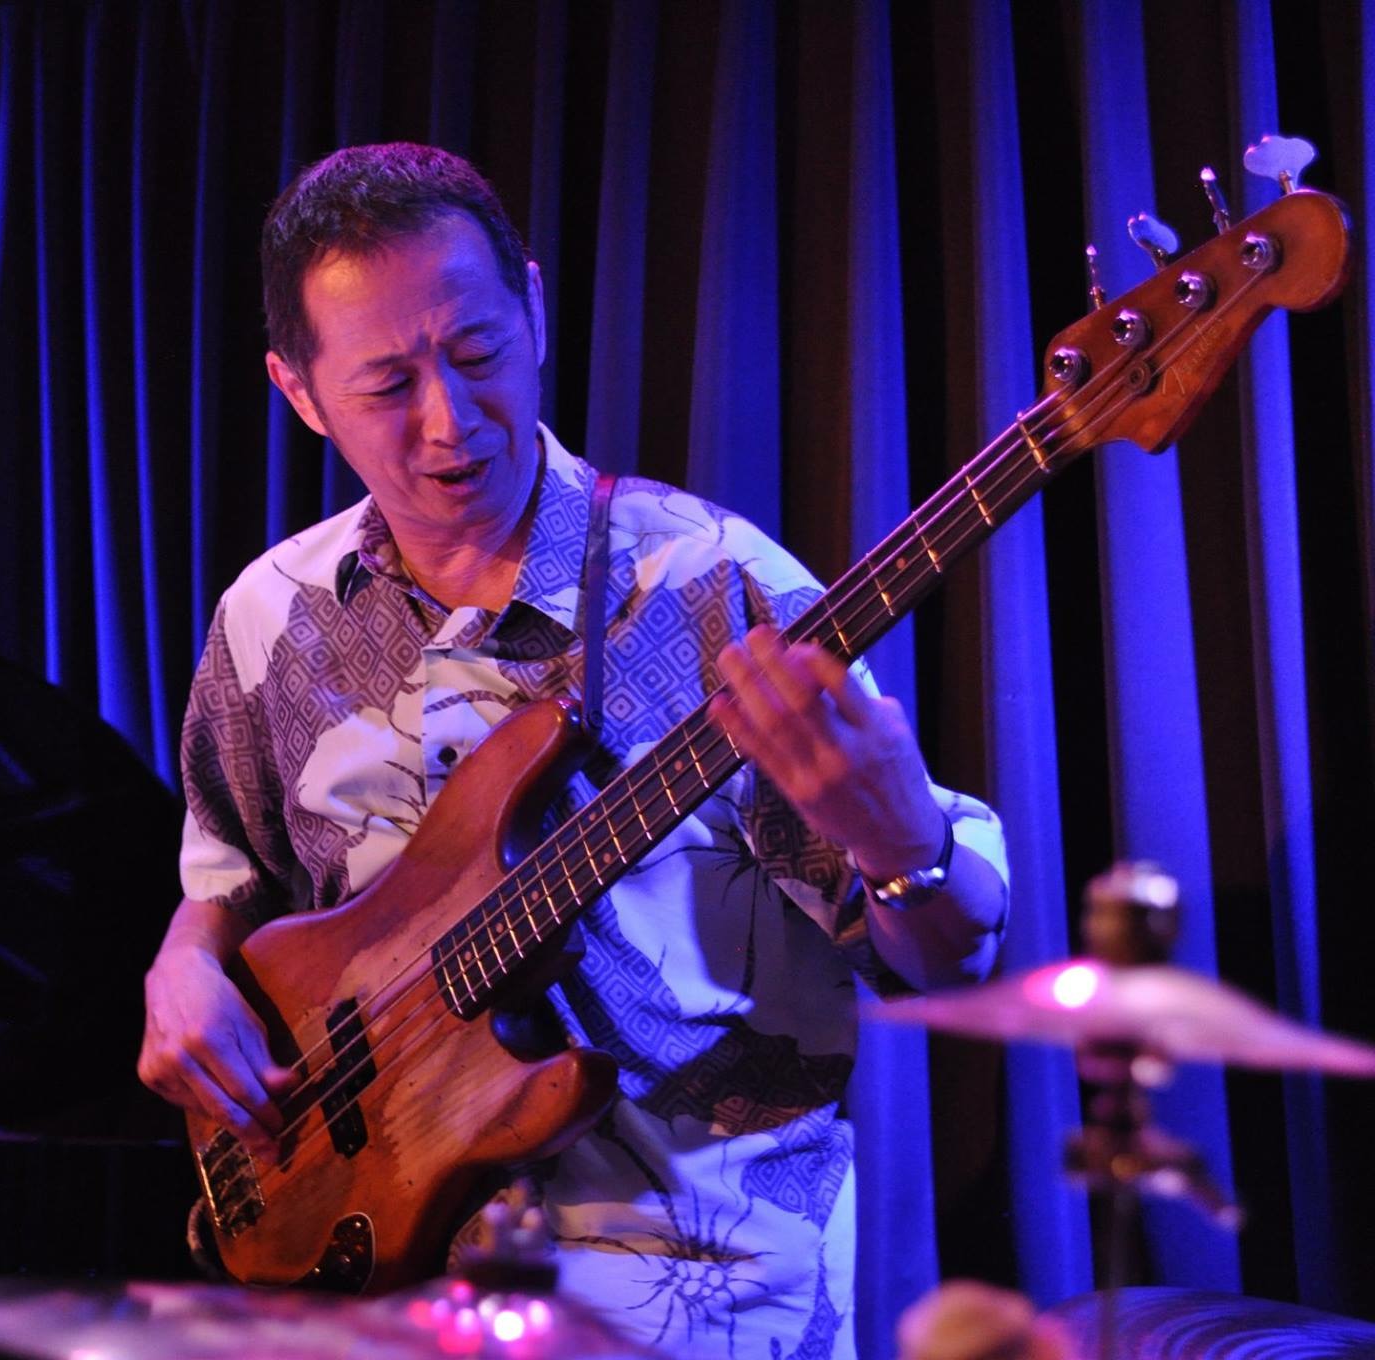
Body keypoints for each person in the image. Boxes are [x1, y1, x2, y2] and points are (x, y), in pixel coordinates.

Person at [137, 142, 1008, 1359]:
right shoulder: (267, 616)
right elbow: (227, 869)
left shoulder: (716, 590)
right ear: (298, 390)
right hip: (375, 1310)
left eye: (477, 352)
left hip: (696, 1310)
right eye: (386, 385)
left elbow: (948, 959)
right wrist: (182, 960)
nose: (449, 420)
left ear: (534, 309)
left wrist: (902, 847)